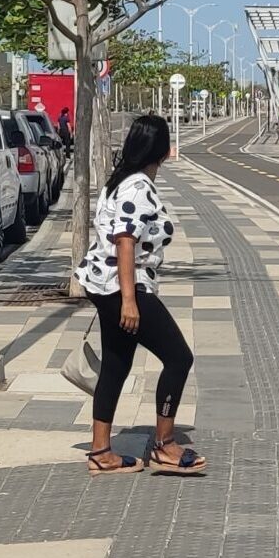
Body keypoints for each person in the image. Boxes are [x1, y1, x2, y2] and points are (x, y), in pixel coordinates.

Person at [75, 111, 205, 476]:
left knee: (116, 365)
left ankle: (101, 452)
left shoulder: (118, 181)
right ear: (162, 151)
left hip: (104, 284)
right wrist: (130, 300)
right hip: (123, 287)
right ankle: (164, 446)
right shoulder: (138, 187)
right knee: (179, 358)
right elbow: (126, 242)